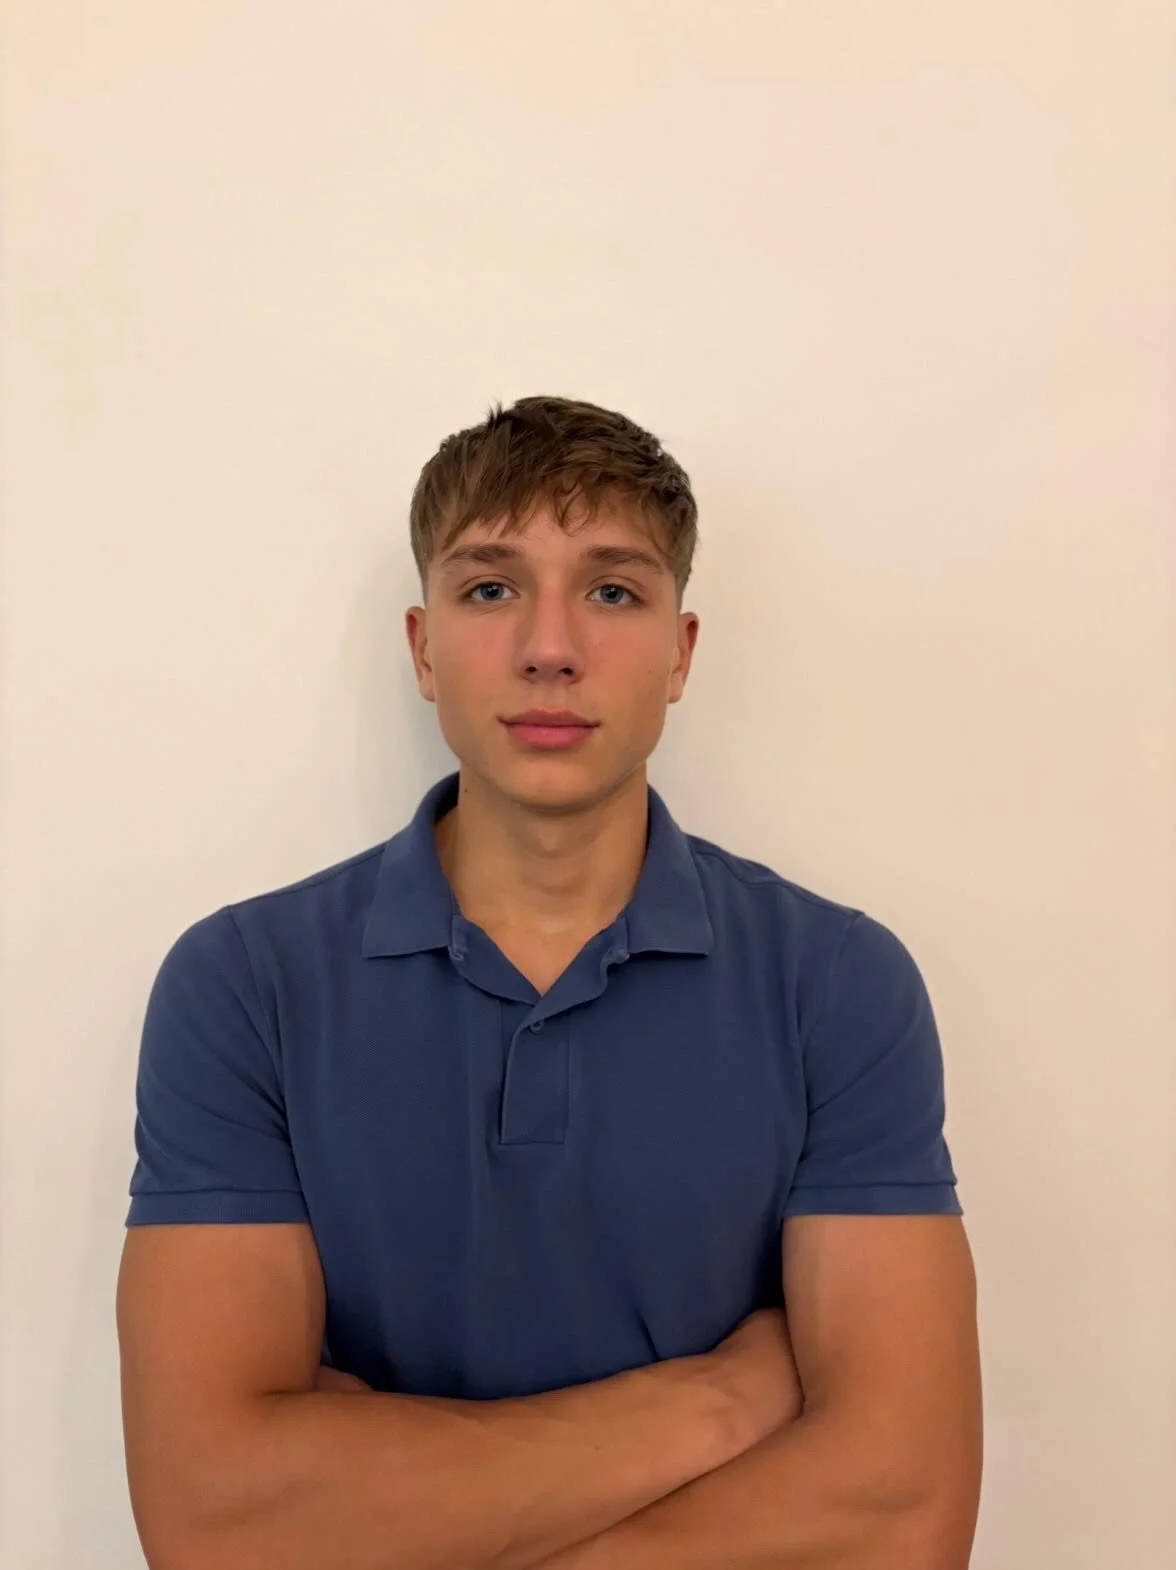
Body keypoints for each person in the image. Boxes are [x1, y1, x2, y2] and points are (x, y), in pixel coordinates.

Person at [116, 394, 983, 1570]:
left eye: (613, 589)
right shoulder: (243, 986)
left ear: (680, 655)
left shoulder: (836, 981)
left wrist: (387, 1506)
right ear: (424, 649)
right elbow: (218, 1524)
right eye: (490, 588)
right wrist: (719, 1406)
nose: (550, 645)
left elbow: (898, 1514)